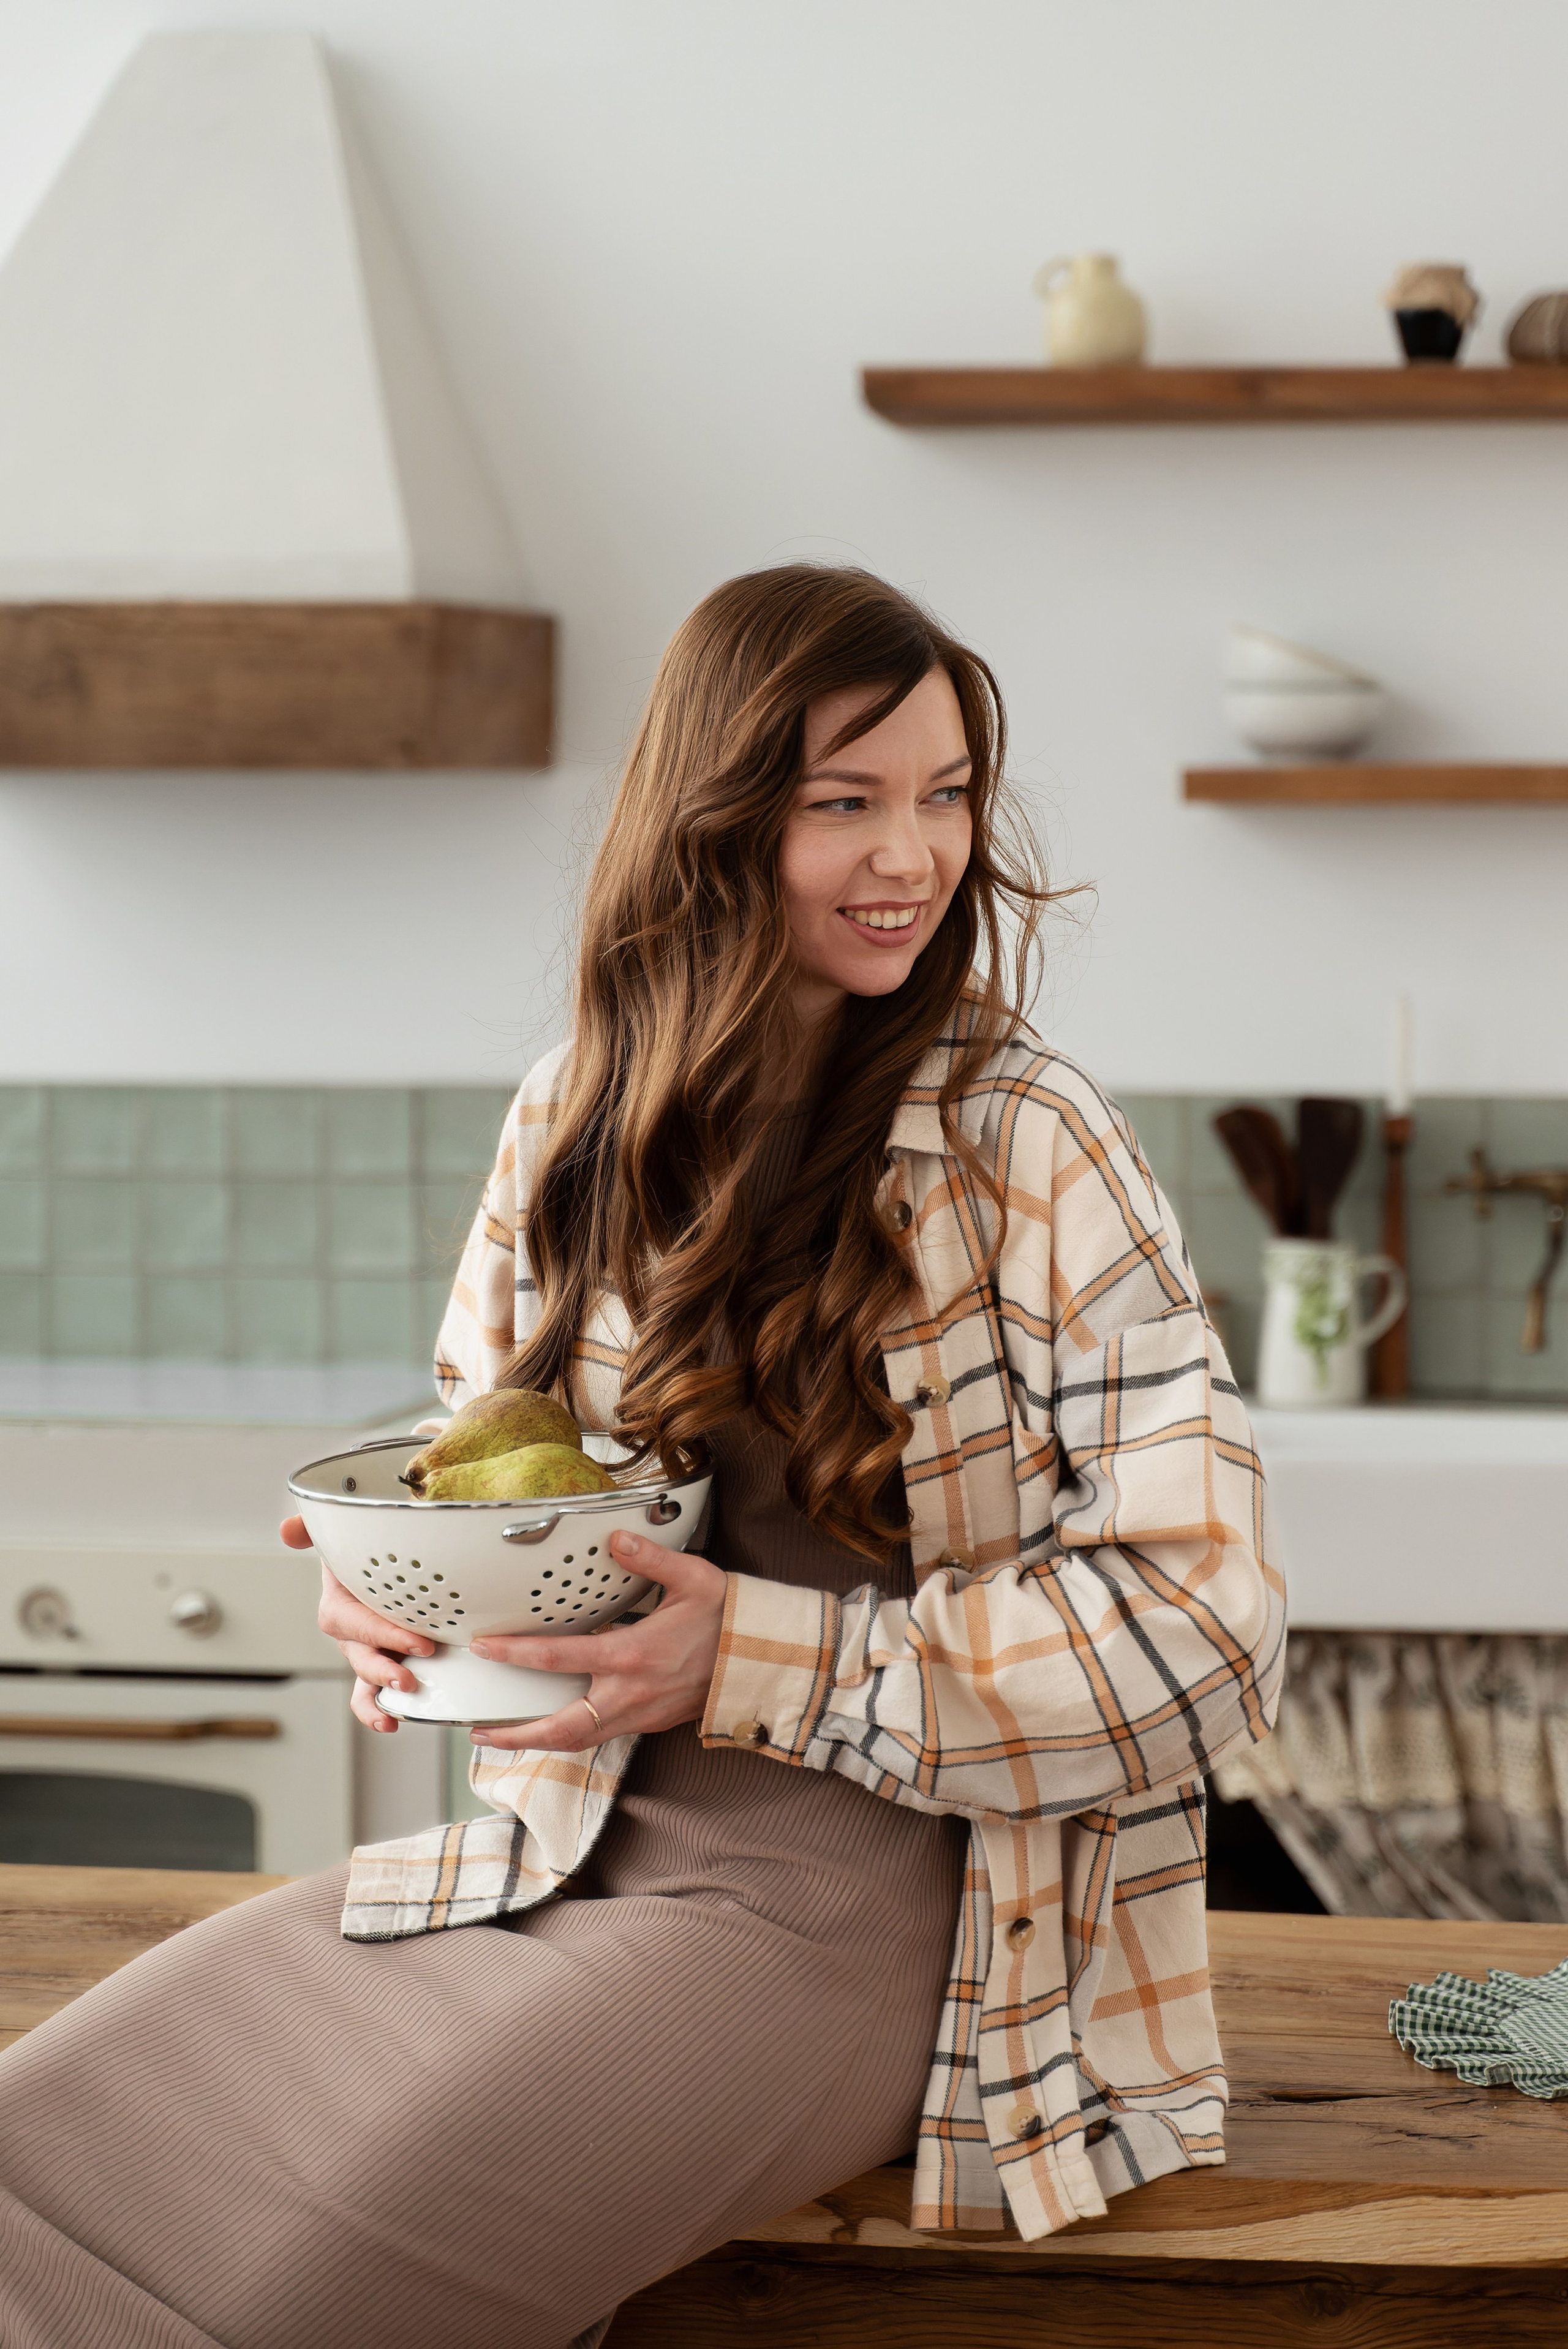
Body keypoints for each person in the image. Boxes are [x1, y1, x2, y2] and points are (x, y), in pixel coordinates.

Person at [0, 565, 1283, 2349]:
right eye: (845, 802)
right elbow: (475, 1483)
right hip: (542, 1864)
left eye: (944, 795)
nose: (912, 854)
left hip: (864, 1924)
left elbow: (1207, 1639)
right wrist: (405, 1616)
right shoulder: (575, 1109)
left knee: (304, 2296)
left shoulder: (1032, 1143)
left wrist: (745, 1653)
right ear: (714, 816)